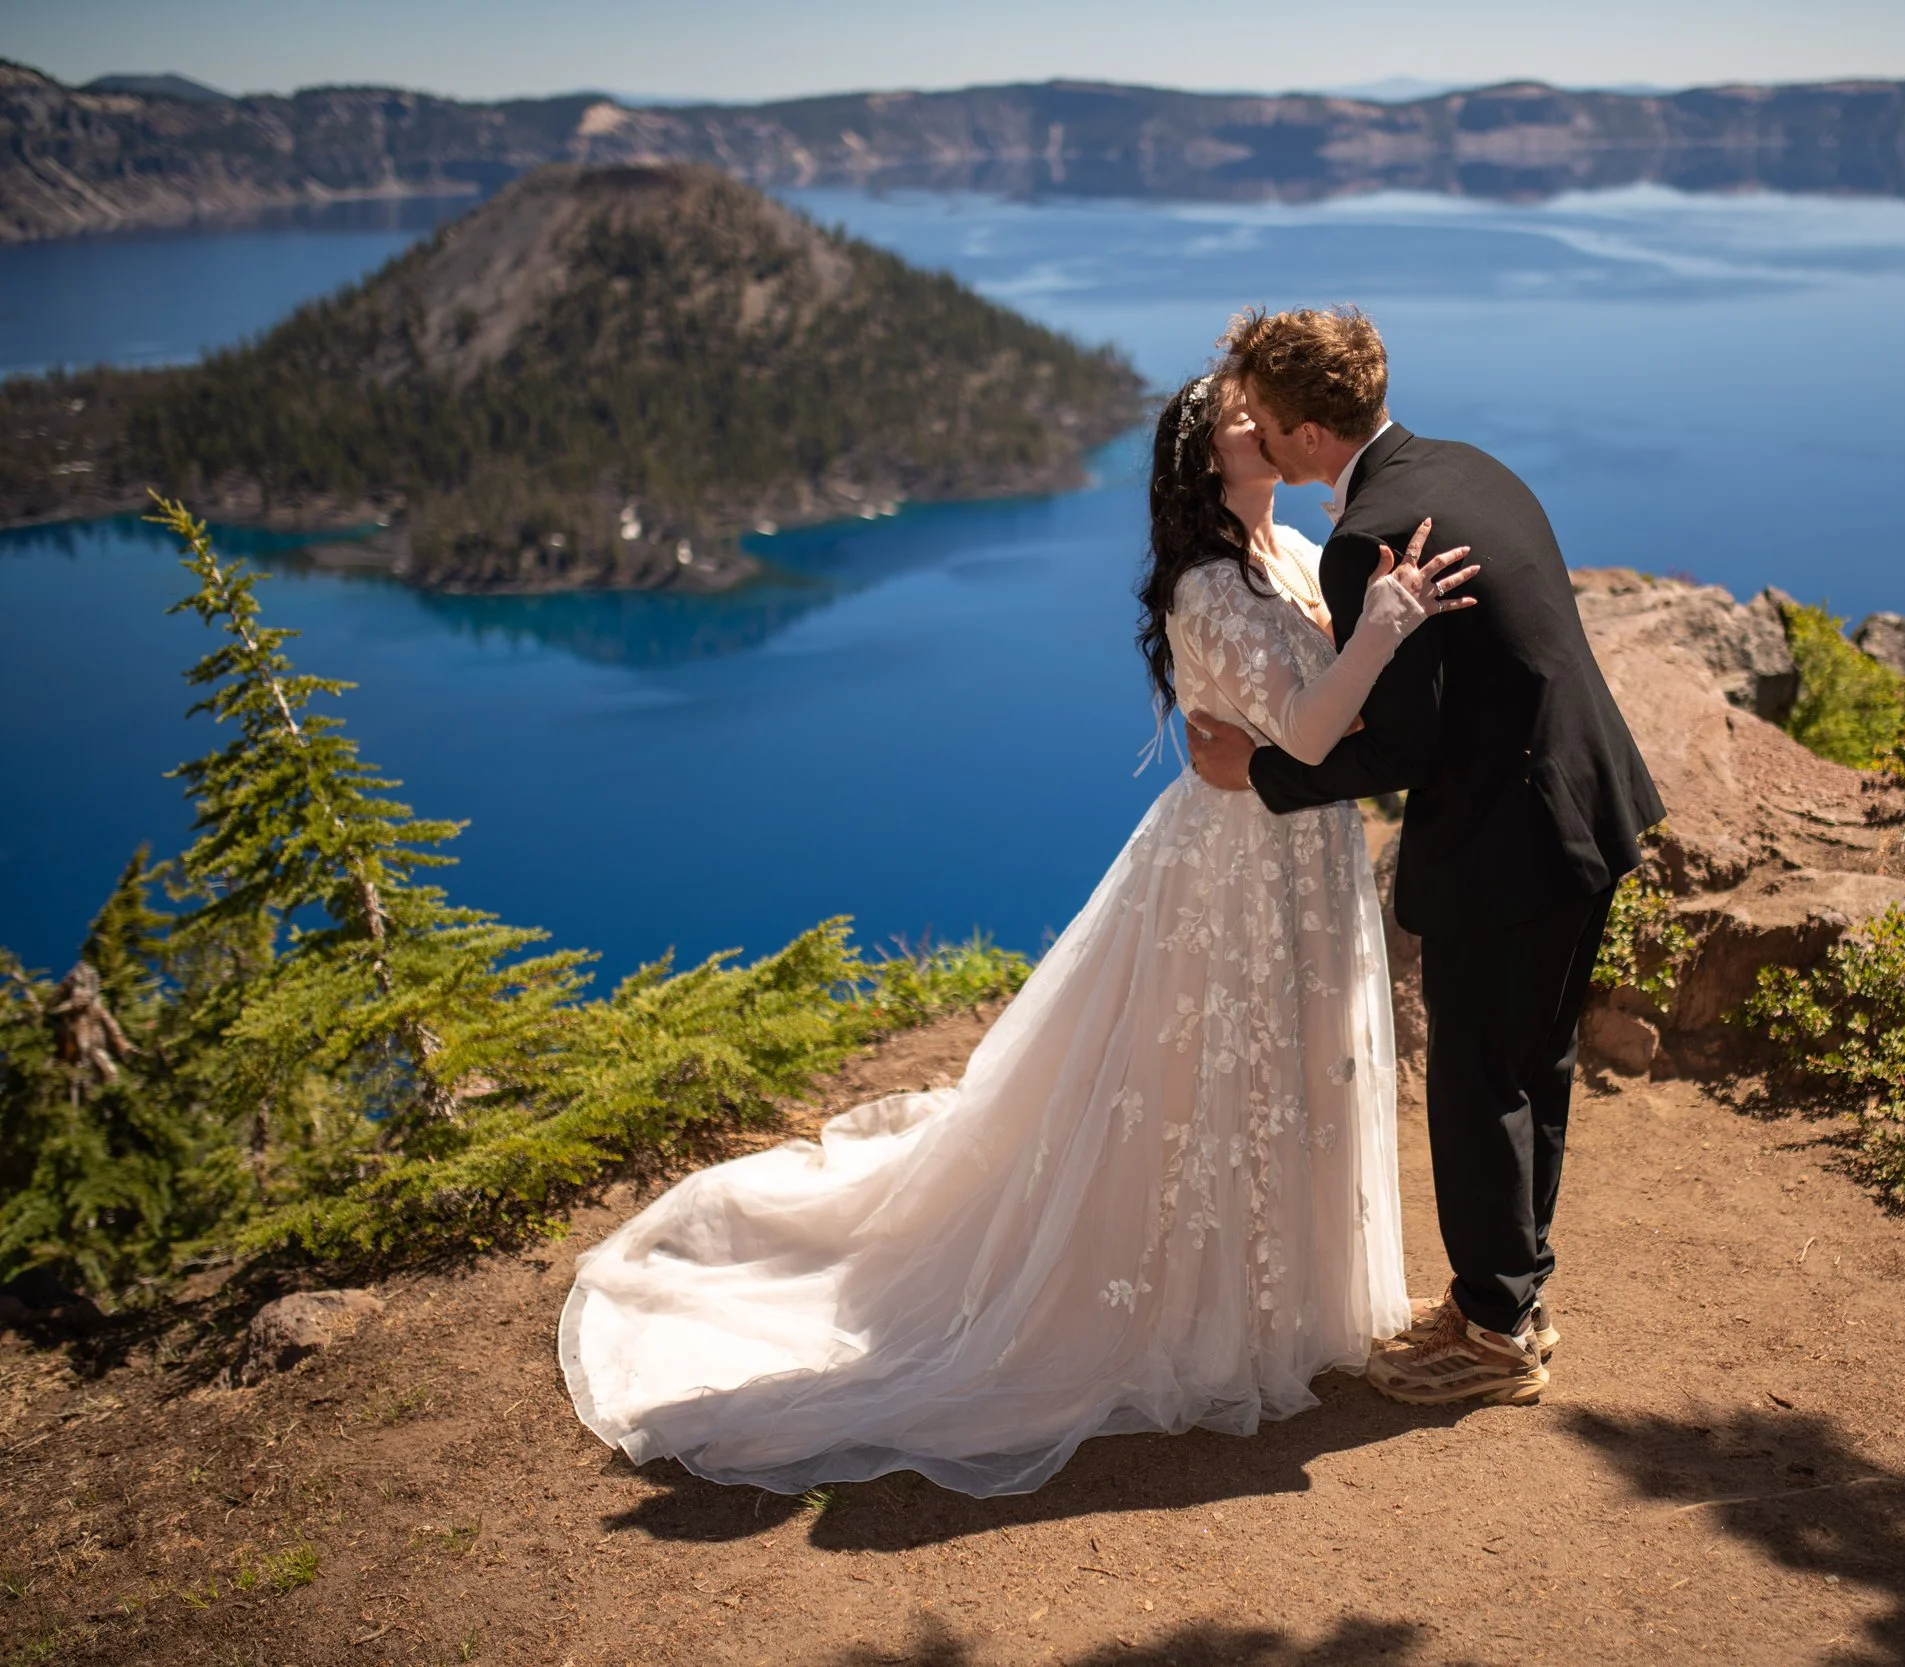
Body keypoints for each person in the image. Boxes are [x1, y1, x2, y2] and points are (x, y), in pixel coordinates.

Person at [559, 373, 1479, 1497]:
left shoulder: (1287, 547)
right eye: (1244, 416)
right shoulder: (1204, 586)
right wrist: (1386, 625)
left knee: (1292, 1064)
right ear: (1205, 458)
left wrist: (1370, 612)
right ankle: (1208, 1320)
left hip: (1298, 853)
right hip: (1240, 864)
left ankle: (1283, 1304)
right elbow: (1307, 724)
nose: (1269, 423)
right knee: (1210, 1080)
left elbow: (1328, 712)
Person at [1186, 307, 1664, 1406]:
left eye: (1262, 413)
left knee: (1479, 1079)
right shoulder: (1458, 466)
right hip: (1584, 807)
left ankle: (1496, 1332)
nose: (1252, 426)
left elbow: (1407, 740)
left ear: (1310, 433)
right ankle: (1511, 1294)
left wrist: (1254, 773)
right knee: (1533, 1063)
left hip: (1506, 838)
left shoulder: (1367, 539)